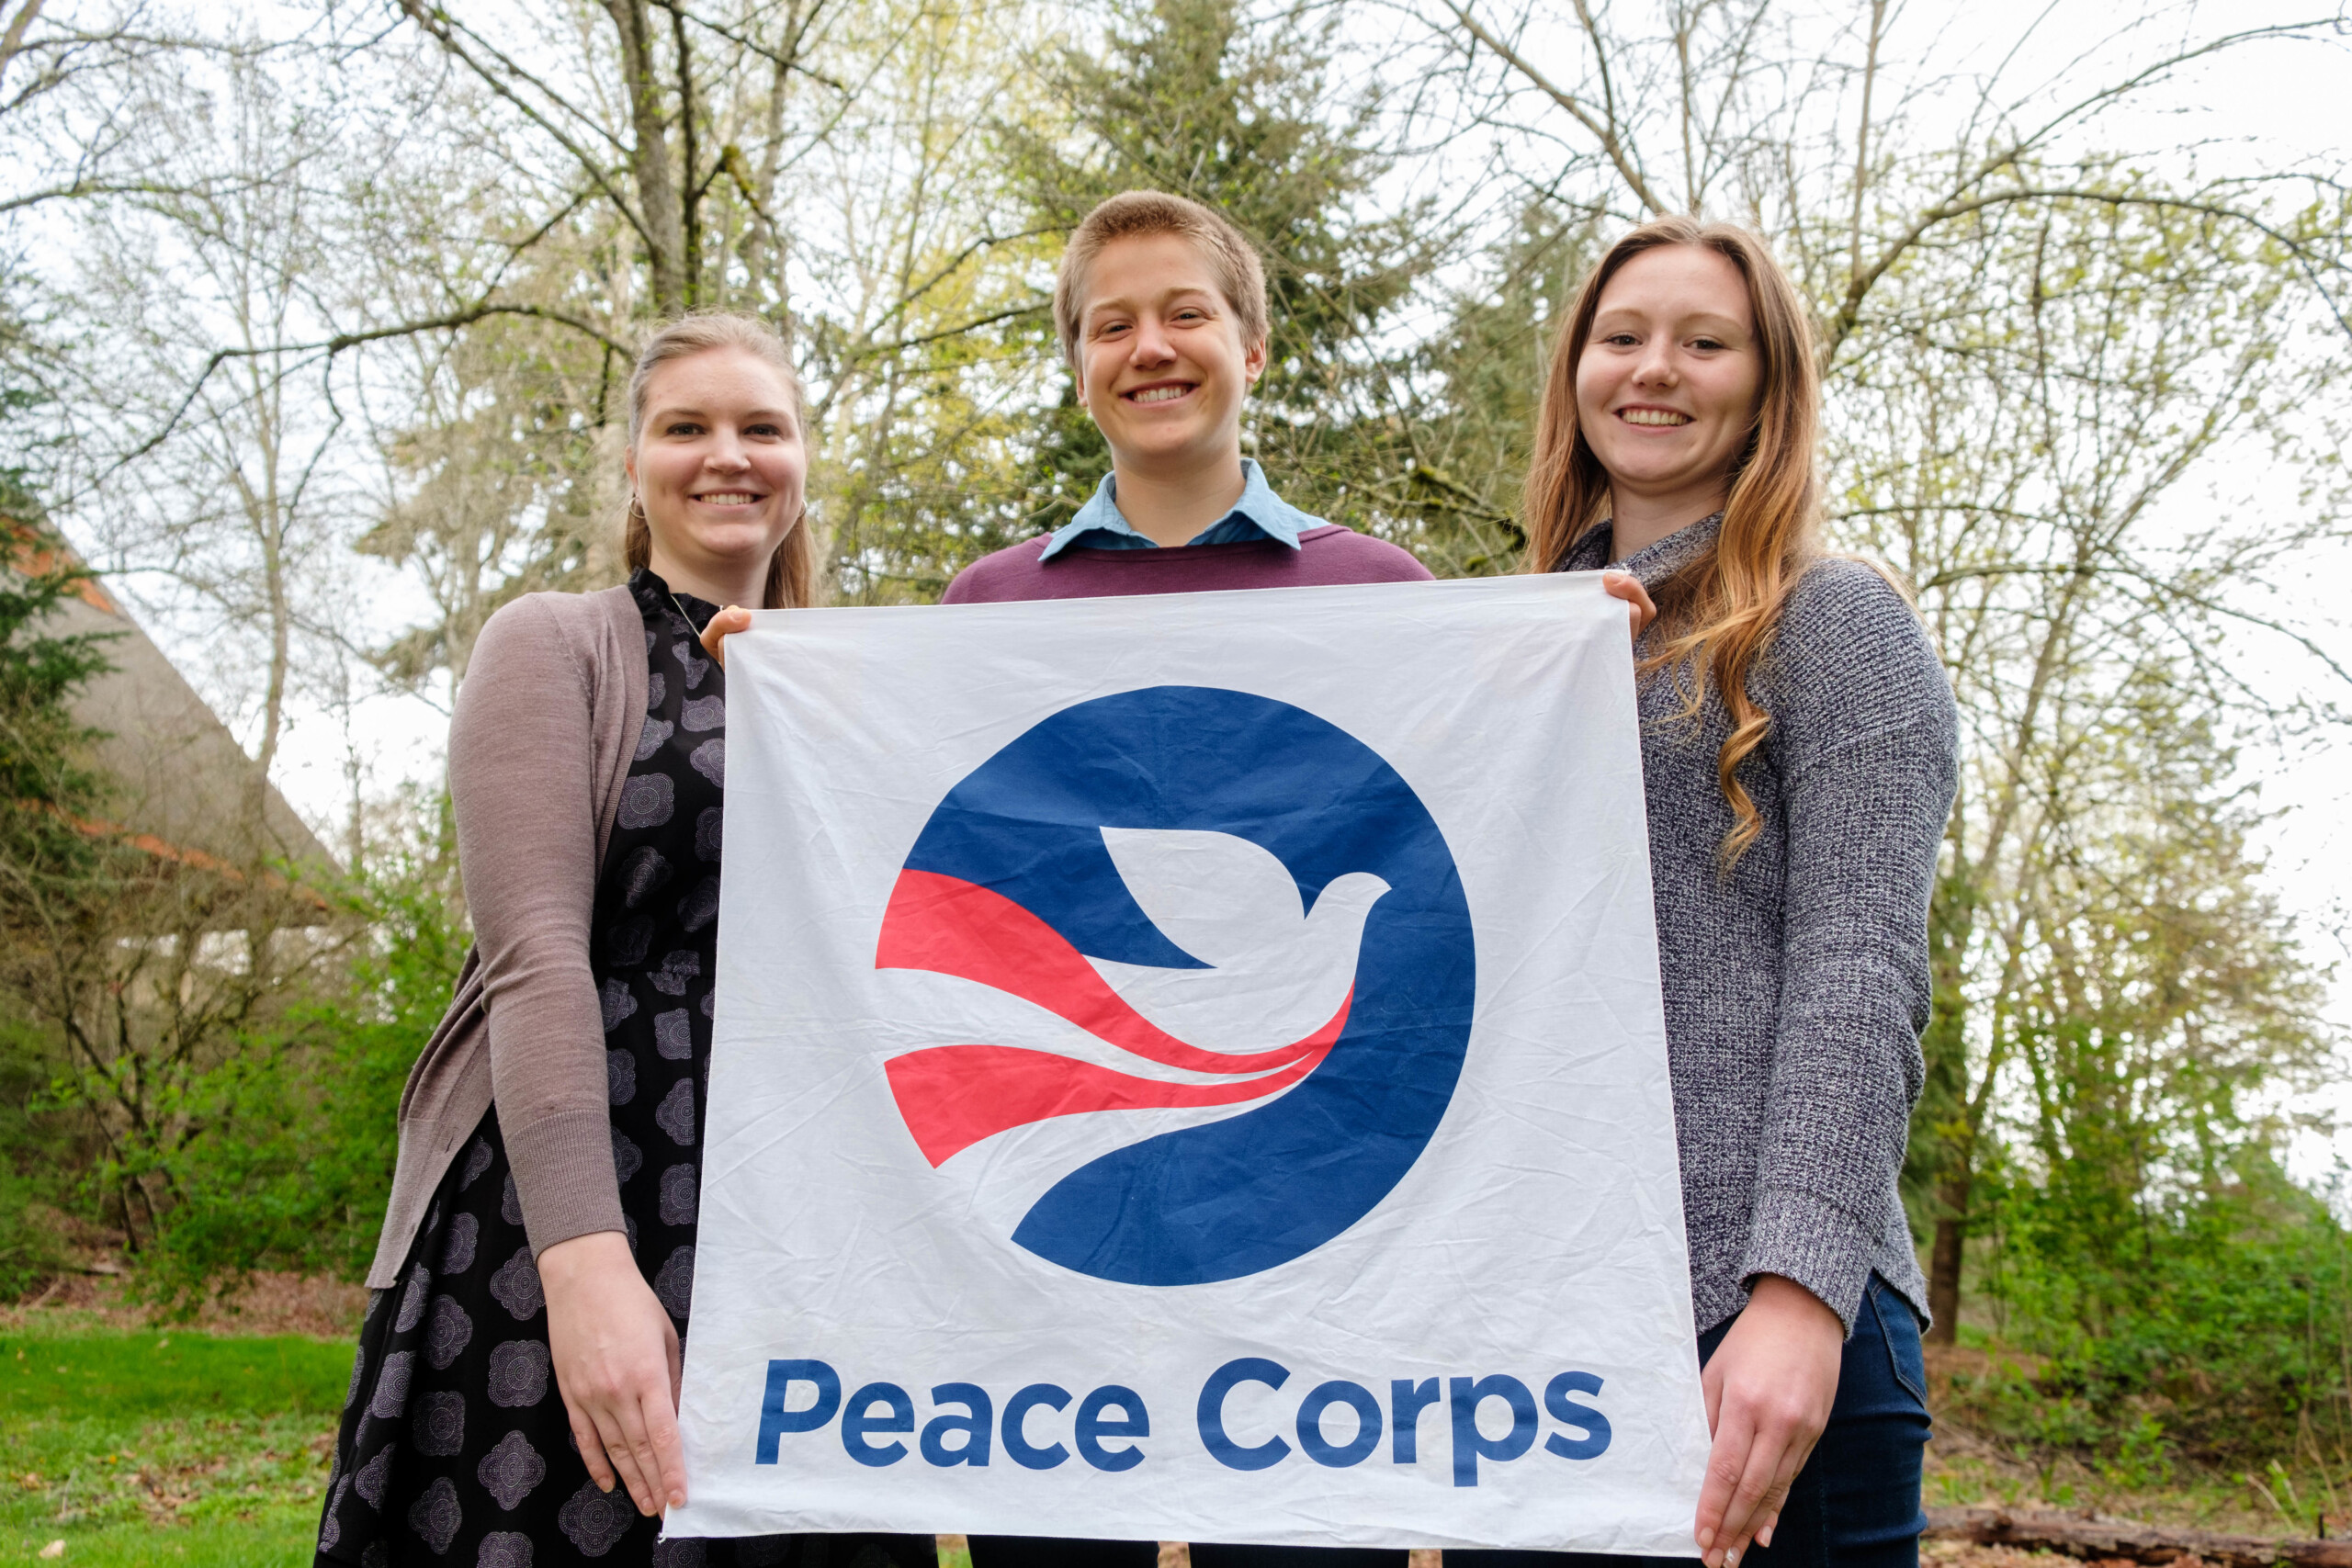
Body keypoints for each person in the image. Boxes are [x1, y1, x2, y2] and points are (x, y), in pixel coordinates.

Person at [691, 191, 1651, 1566]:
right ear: (1078, 361)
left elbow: (1458, 882)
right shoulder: (988, 610)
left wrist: (1561, 663)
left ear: (1254, 346)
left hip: (1319, 1247)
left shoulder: (1379, 590)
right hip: (1053, 1253)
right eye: (1112, 324)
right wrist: (791, 690)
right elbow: (926, 881)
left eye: (1186, 312)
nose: (1152, 347)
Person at [316, 313, 936, 1568]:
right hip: (583, 1186)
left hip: (802, 1216)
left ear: (803, 458)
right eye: (687, 427)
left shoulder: (857, 680)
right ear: (634, 463)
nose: (729, 456)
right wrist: (584, 1268)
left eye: (764, 427)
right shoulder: (555, 644)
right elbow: (533, 960)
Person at [1452, 220, 1958, 1568]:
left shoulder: (1836, 621)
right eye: (1622, 338)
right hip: (1544, 1336)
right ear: (1575, 374)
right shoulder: (1505, 650)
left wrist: (1797, 1293)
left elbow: (1860, 967)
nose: (1654, 370)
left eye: (1703, 340)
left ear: (1767, 384)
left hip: (1758, 1325)